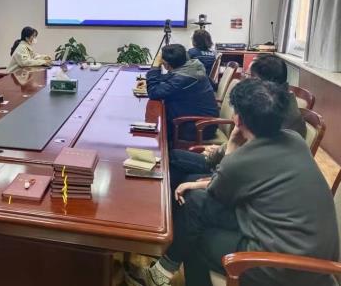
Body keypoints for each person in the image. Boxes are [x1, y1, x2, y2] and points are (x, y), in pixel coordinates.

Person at [131, 79, 338, 286]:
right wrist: (200, 182)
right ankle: (161, 272)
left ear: (238, 119)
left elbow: (217, 191)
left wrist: (230, 148)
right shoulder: (295, 139)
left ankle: (161, 272)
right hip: (307, 253)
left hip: (282, 266)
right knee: (195, 202)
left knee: (195, 237)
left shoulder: (241, 160)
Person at [169, 53, 307, 189]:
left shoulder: (277, 116)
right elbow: (241, 142)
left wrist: (212, 179)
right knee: (173, 158)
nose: (244, 81)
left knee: (182, 179)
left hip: (242, 176)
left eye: (248, 76)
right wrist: (219, 151)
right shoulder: (269, 103)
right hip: (232, 162)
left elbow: (253, 169)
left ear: (263, 82)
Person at [146, 44, 219, 144]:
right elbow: (171, 77)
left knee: (158, 128)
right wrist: (157, 79)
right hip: (201, 121)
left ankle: (167, 151)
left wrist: (155, 66)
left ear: (166, 65)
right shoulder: (192, 66)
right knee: (161, 116)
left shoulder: (183, 78)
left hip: (199, 127)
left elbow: (153, 92)